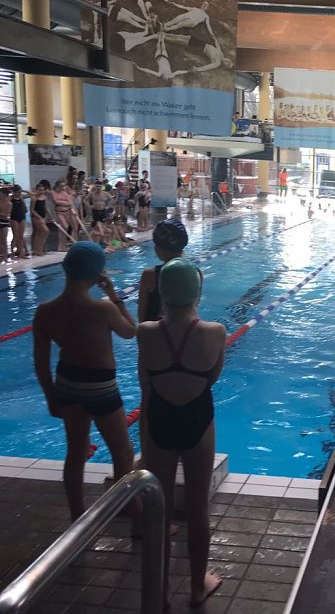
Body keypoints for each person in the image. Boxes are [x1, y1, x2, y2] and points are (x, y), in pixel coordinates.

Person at [137, 258, 226, 608]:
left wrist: (145, 432)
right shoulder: (215, 332)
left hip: (159, 418)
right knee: (197, 506)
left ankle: (158, 591)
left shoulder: (145, 332)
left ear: (161, 293)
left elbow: (146, 385)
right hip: (197, 419)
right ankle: (196, 586)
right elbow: (212, 378)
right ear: (198, 292)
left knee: (160, 511)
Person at [32, 242, 138, 520]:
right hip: (101, 388)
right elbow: (130, 332)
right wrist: (114, 295)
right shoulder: (102, 309)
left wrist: (50, 397)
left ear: (66, 269)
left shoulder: (45, 310)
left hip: (66, 384)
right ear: (97, 273)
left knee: (75, 453)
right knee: (123, 453)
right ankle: (136, 519)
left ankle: (77, 518)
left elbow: (41, 362)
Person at [139, 218, 189, 322]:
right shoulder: (197, 273)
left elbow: (141, 317)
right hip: (184, 334)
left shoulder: (149, 275)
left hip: (153, 335)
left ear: (158, 247)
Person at [30, 181, 51, 257]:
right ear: (36, 190)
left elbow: (45, 208)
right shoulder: (34, 198)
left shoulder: (44, 197)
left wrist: (51, 215)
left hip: (42, 216)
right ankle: (38, 249)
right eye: (40, 190)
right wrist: (39, 217)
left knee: (39, 233)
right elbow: (32, 210)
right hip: (36, 217)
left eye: (42, 190)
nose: (41, 192)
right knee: (46, 231)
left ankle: (38, 249)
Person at [0, 187, 11, 262]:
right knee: (0, 240)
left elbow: (6, 215)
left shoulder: (9, 203)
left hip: (4, 222)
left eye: (0, 194)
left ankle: (6, 257)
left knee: (4, 240)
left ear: (4, 194)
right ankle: (2, 255)